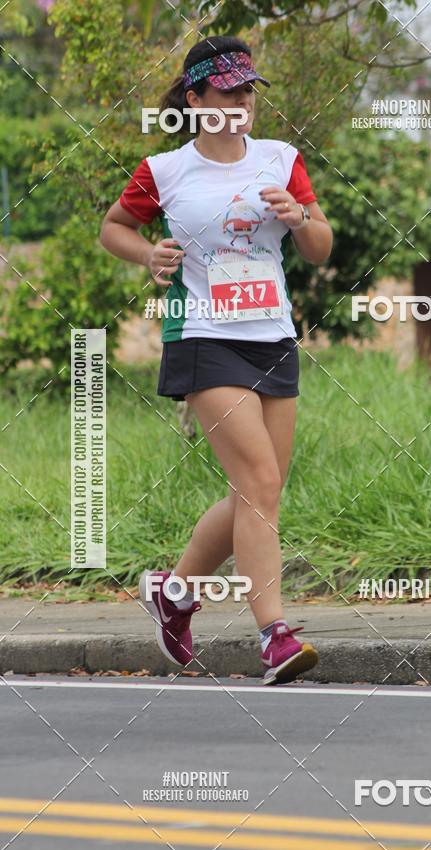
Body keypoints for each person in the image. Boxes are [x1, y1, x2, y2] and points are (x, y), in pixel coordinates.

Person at [99, 35, 333, 686]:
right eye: (227, 93)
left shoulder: (281, 160)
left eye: (247, 92)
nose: (240, 104)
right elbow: (114, 227)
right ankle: (275, 636)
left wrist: (300, 217)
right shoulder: (165, 171)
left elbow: (319, 246)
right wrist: (146, 254)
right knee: (258, 480)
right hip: (202, 335)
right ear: (195, 100)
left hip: (272, 336)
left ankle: (174, 593)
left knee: (260, 491)